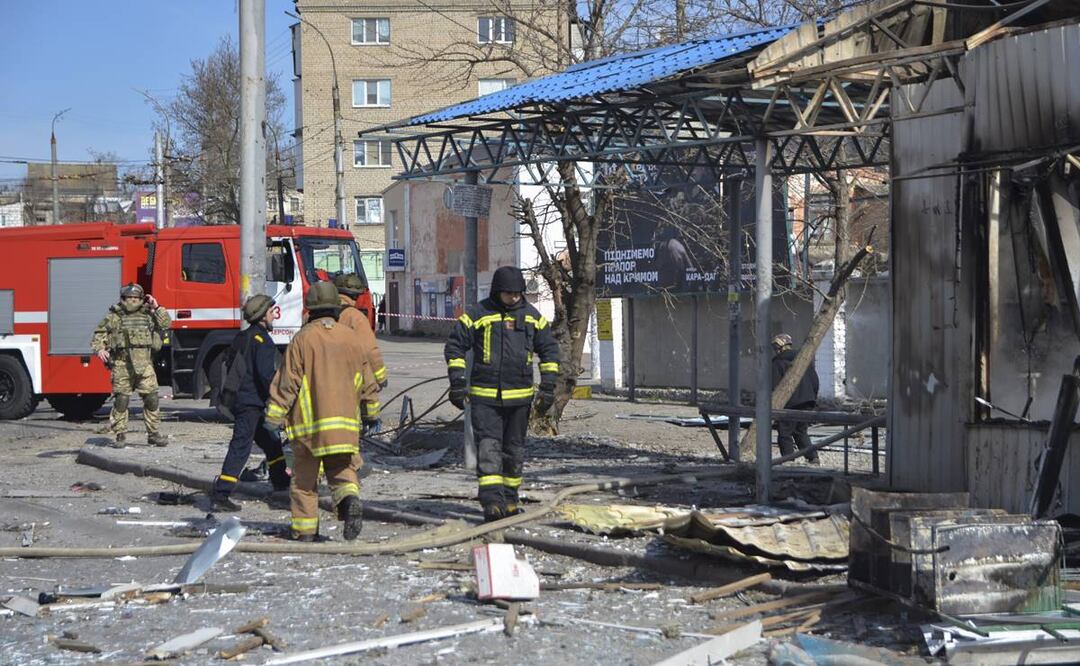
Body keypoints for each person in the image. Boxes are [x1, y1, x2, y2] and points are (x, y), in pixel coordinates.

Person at [264, 281, 379, 541]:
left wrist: (273, 416)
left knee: (304, 482)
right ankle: (349, 501)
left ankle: (305, 532)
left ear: (310, 309)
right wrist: (371, 412)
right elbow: (367, 381)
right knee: (342, 472)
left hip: (310, 428)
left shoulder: (303, 339)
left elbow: (287, 382)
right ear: (336, 309)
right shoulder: (351, 338)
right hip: (345, 427)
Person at [444, 266, 560, 522]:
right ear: (498, 291)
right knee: (489, 447)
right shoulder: (478, 314)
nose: (515, 298)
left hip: (519, 398)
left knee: (514, 450)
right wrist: (457, 382)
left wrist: (548, 386)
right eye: (509, 294)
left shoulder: (532, 317)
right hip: (485, 397)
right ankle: (491, 502)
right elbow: (454, 346)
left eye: (518, 293)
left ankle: (510, 499)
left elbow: (550, 350)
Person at [210, 295, 290, 512]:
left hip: (243, 401)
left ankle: (281, 482)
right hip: (250, 404)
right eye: (272, 311)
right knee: (241, 447)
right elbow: (266, 376)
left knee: (272, 443)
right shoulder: (262, 341)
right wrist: (280, 399)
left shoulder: (243, 336)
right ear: (262, 316)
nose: (275, 314)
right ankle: (221, 493)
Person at [90, 283, 171, 449]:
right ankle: (120, 434)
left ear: (142, 299)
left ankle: (153, 434)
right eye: (129, 298)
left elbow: (166, 324)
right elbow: (99, 334)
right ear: (123, 299)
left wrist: (157, 306)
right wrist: (99, 349)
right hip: (122, 364)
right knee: (122, 400)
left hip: (145, 364)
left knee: (152, 398)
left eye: (136, 298)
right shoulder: (115, 316)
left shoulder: (149, 314)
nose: (132, 301)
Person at [332, 273, 386, 434]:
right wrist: (381, 376)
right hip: (349, 373)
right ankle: (371, 427)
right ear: (355, 295)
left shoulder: (313, 316)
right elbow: (369, 350)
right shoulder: (355, 317)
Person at [771, 333, 820, 464]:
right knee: (801, 431)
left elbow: (774, 385)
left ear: (778, 347)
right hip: (807, 401)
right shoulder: (803, 361)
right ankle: (813, 457)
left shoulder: (778, 363)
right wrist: (812, 399)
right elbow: (815, 381)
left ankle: (788, 460)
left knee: (785, 432)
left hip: (789, 404)